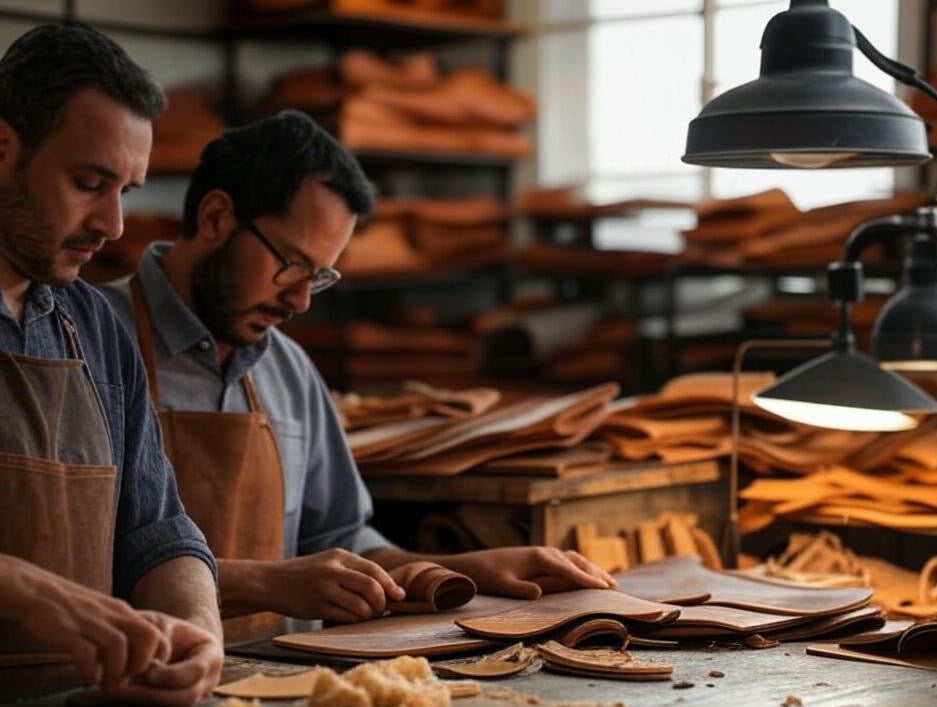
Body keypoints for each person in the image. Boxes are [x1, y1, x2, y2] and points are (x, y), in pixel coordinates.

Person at [99, 110, 616, 638]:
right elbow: (60, 560)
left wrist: (468, 568)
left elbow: (342, 538)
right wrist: (269, 583)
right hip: (119, 691)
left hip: (274, 694)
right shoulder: (85, 341)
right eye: (293, 265)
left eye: (319, 277)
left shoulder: (289, 371)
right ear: (215, 217)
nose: (300, 301)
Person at [0, 23, 222, 706]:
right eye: (90, 183)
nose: (114, 224)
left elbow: (154, 529)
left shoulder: (94, 325)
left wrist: (197, 627)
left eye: (126, 190)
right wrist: (25, 589)